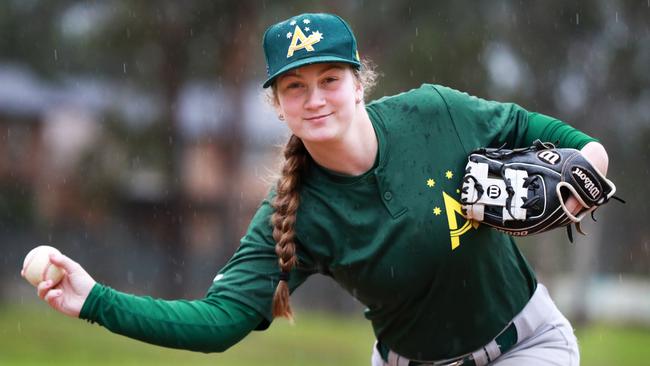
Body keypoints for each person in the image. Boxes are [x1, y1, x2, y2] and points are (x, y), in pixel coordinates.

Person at [30, 13, 609, 365]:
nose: (315, 99)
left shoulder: (438, 114)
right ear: (278, 107)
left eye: (330, 79)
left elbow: (571, 142)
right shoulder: (296, 213)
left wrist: (587, 172)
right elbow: (218, 323)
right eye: (294, 86)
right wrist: (94, 301)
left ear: (360, 83)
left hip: (529, 349)